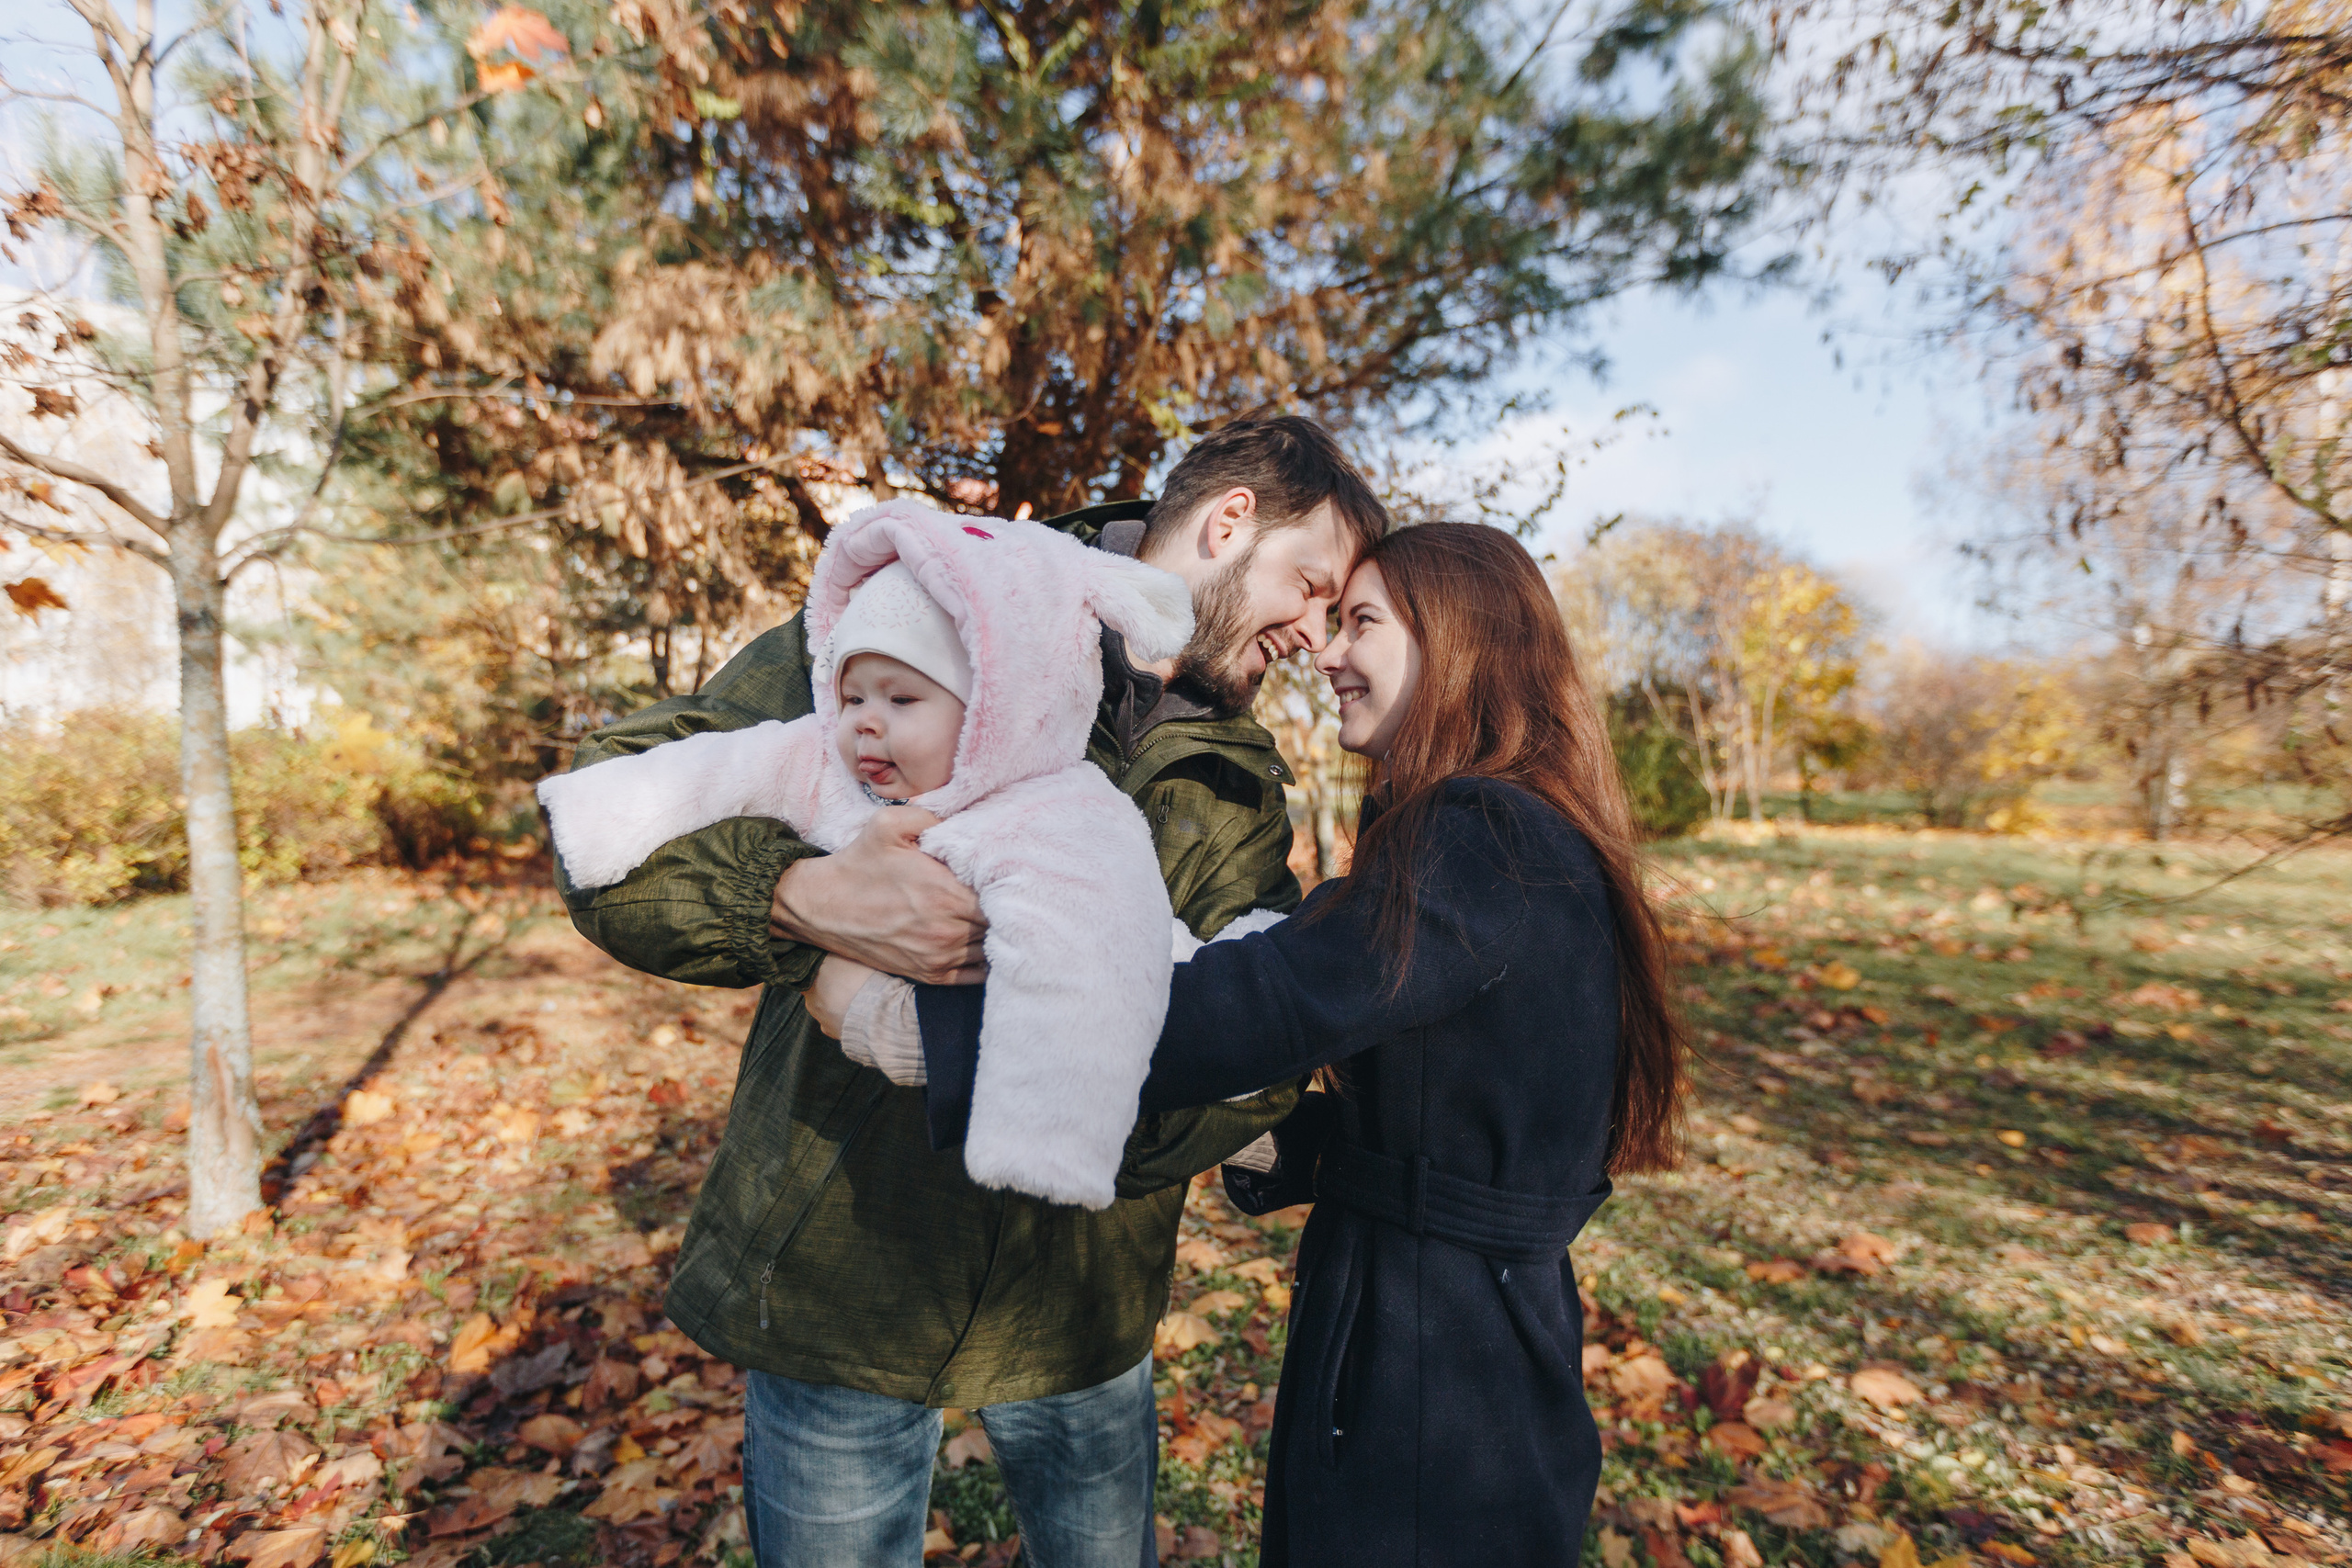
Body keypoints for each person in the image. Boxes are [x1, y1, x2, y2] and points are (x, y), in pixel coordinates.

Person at [551, 415, 1387, 1568]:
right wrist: (797, 898)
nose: (1313, 633)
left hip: (1078, 1315)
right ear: (1230, 520)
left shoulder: (1237, 789)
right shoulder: (925, 604)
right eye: (1310, 586)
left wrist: (1058, 1108)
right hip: (843, 1276)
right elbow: (611, 824)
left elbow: (1250, 1052)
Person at [831, 522, 1687, 1566]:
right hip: (1473, 1323)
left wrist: (917, 1030)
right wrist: (1275, 1140)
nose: (1327, 652)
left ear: (1460, 639)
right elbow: (1464, 1101)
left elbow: (1256, 1007)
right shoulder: (1525, 828)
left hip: (1435, 1357)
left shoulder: (1480, 831)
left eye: (1361, 622)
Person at [540, 500, 1255, 1210]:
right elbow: (713, 768)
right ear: (1232, 517)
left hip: (1074, 1239)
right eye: (850, 696)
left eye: (903, 699)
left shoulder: (1057, 815)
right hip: (821, 1219)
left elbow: (1078, 972)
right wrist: (610, 821)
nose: (864, 723)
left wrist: (1038, 1131)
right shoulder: (838, 749)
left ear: (994, 708)